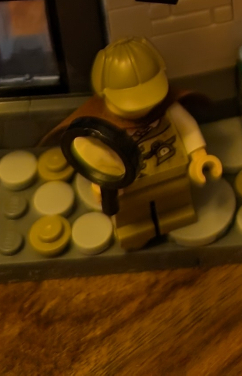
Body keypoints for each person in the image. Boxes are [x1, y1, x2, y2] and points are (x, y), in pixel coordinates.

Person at [76, 37, 223, 251]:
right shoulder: (103, 125)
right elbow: (93, 153)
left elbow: (188, 129)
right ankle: (135, 232)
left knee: (176, 206)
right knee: (133, 219)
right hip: (129, 187)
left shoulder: (166, 109)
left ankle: (174, 218)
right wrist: (102, 181)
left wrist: (199, 157)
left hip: (172, 175)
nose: (143, 107)